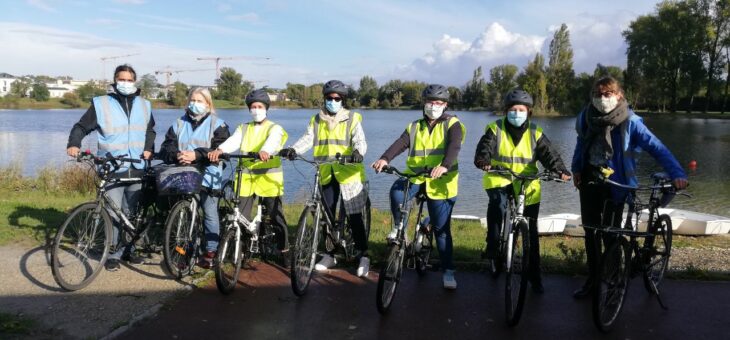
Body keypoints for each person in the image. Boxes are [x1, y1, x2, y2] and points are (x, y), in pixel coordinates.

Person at [570, 76, 688, 299]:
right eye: (598, 94)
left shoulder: (630, 121)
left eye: (608, 94)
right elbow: (581, 145)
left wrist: (678, 174)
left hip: (617, 184)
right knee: (591, 233)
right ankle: (593, 281)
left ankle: (614, 280)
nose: (602, 99)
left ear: (619, 95)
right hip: (589, 181)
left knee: (611, 234)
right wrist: (576, 169)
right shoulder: (586, 118)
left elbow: (657, 147)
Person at [474, 89, 571, 294]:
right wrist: (484, 160)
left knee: (531, 235)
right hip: (499, 177)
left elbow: (549, 154)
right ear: (506, 111)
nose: (516, 113)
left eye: (521, 109)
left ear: (529, 112)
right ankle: (493, 246)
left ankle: (535, 278)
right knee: (498, 207)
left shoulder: (536, 132)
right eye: (512, 109)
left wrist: (560, 170)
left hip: (527, 184)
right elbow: (485, 148)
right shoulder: (495, 128)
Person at [372, 84, 465, 289]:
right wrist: (384, 158)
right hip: (415, 176)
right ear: (424, 104)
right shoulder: (414, 126)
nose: (434, 106)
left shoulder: (453, 124)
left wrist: (444, 166)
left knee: (441, 231)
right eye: (430, 102)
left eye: (438, 103)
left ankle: (448, 270)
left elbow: (454, 146)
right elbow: (401, 142)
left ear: (445, 105)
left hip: (441, 181)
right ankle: (400, 229)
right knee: (397, 192)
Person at [66, 64, 156, 271]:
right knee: (113, 214)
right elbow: (81, 127)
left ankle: (129, 249)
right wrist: (74, 144)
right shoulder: (101, 104)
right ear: (115, 81)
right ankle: (113, 253)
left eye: (129, 79)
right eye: (121, 79)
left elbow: (150, 131)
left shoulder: (145, 105)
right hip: (112, 167)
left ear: (135, 81)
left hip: (138, 166)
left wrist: (149, 148)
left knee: (130, 212)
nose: (125, 83)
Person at [279, 80, 371, 277]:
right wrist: (293, 149)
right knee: (325, 218)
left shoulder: (352, 118)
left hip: (349, 172)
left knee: (354, 215)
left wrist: (357, 152)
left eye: (337, 98)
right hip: (325, 171)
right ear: (325, 99)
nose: (333, 101)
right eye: (329, 98)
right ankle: (330, 254)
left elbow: (360, 141)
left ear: (342, 100)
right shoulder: (316, 119)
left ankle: (364, 255)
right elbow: (307, 138)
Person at [208, 89, 289, 264]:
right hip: (246, 178)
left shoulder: (275, 128)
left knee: (276, 216)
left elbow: (274, 140)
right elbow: (234, 141)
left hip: (269, 180)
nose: (256, 110)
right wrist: (220, 150)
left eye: (260, 106)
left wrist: (266, 150)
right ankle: (241, 251)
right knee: (241, 217)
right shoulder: (243, 128)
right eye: (253, 107)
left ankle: (284, 250)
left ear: (266, 108)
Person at [160, 87, 230, 269]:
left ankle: (211, 251)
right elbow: (166, 146)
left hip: (209, 176)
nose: (195, 104)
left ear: (208, 104)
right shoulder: (178, 123)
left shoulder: (218, 124)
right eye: (193, 100)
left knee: (209, 212)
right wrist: (177, 155)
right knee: (184, 212)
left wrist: (196, 155)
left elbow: (221, 148)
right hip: (184, 174)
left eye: (200, 101)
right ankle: (185, 249)